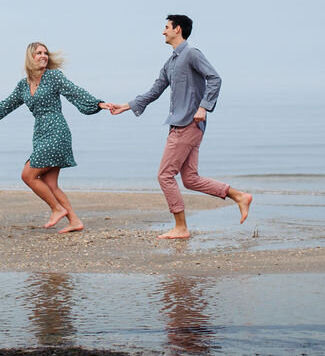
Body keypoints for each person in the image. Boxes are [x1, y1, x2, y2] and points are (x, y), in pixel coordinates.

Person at [108, 15, 253, 239]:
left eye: (166, 27)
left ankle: (181, 227)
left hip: (188, 124)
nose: (163, 32)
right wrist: (125, 106)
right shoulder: (171, 62)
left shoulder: (192, 54)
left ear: (178, 29)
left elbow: (215, 78)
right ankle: (239, 196)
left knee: (165, 175)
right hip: (181, 125)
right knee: (190, 179)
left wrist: (204, 107)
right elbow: (154, 91)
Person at [0, 42, 110, 234]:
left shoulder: (54, 76)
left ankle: (57, 209)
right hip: (40, 133)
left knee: (28, 175)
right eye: (38, 53)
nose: (43, 56)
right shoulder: (23, 85)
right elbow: (5, 105)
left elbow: (75, 91)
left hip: (57, 131)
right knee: (50, 184)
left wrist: (97, 104)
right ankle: (74, 220)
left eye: (45, 53)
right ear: (30, 58)